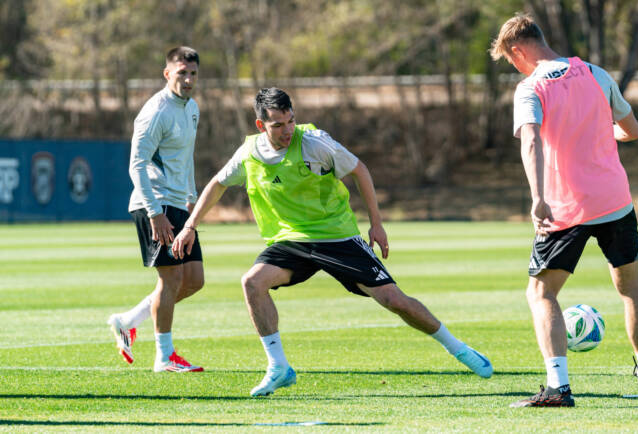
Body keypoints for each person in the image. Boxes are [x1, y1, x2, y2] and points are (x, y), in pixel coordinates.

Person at [172, 87, 493, 396]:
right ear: (260, 125)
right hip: (291, 241)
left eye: (291, 121)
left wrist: (376, 224)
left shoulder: (315, 143)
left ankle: (458, 348)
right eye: (278, 125)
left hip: (337, 236)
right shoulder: (249, 153)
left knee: (394, 301)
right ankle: (278, 366)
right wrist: (190, 226)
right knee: (252, 283)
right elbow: (217, 183)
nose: (287, 130)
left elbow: (359, 170)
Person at [490, 14, 638, 407]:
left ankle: (557, 388)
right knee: (632, 288)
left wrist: (537, 197)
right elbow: (632, 130)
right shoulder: (597, 74)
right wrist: (602, 134)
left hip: (565, 207)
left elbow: (530, 142)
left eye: (510, 60)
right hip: (615, 201)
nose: (514, 67)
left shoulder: (530, 88)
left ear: (518, 50)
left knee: (541, 292)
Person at [107, 46, 205, 373]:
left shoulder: (192, 108)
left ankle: (127, 321)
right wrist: (154, 212)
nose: (188, 79)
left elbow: (185, 157)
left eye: (193, 74)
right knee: (171, 277)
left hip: (178, 203)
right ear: (167, 74)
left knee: (194, 279)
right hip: (155, 203)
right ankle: (165, 356)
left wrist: (190, 197)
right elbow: (136, 165)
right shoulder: (156, 111)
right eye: (181, 73)